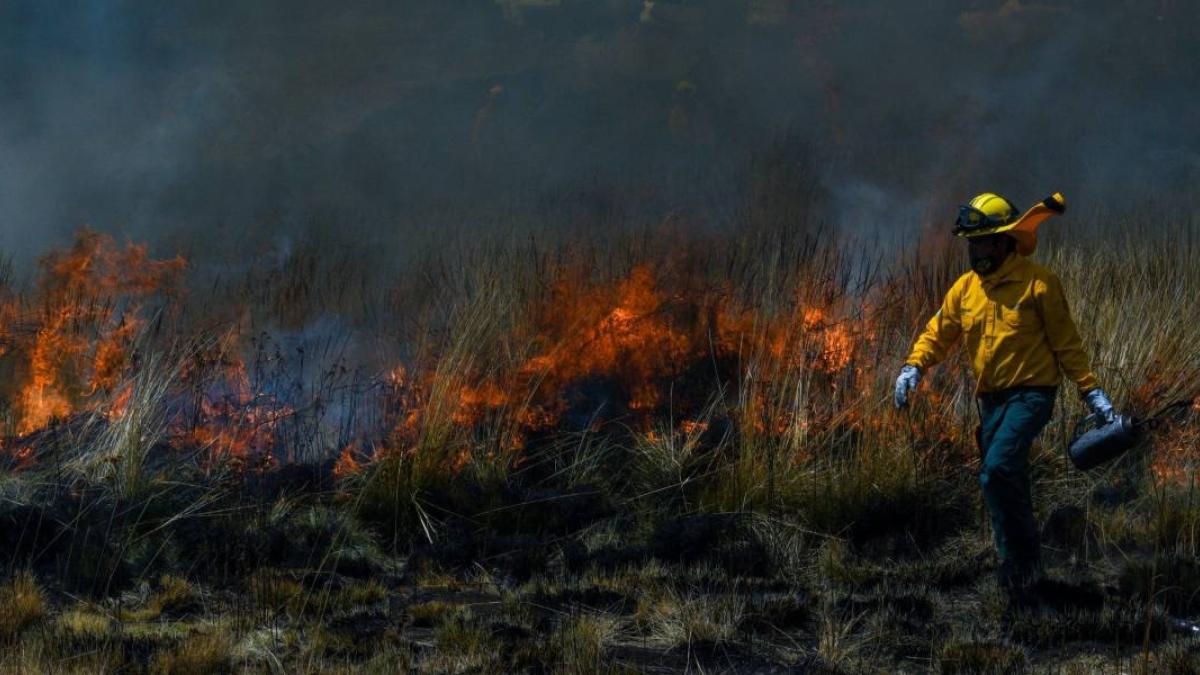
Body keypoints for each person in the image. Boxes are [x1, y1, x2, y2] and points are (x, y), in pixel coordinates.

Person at [893, 192, 1114, 593]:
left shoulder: (1039, 284)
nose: (975, 251)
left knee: (997, 469)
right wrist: (914, 366)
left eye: (982, 241)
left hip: (1032, 395)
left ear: (1004, 241)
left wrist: (1092, 393)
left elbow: (1067, 344)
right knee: (1000, 480)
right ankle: (1023, 568)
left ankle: (1018, 566)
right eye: (971, 243)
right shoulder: (966, 289)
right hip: (991, 402)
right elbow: (938, 332)